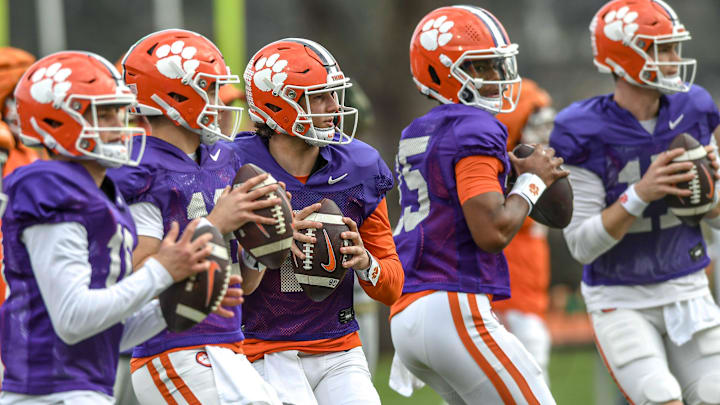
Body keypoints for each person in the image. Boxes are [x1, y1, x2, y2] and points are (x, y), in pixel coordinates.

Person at [0, 50, 217, 405]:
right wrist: (161, 271)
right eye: (103, 113)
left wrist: (178, 300)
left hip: (81, 389)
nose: (119, 124)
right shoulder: (51, 186)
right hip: (49, 393)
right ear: (55, 121)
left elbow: (112, 332)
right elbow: (73, 319)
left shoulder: (105, 195)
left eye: (119, 110)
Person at [389, 5, 566, 404]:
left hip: (408, 311)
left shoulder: (419, 130)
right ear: (440, 72)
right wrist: (533, 181)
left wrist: (507, 176)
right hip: (451, 305)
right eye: (482, 67)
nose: (496, 78)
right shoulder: (476, 126)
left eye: (498, 65)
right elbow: (493, 231)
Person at [549, 1, 720, 404]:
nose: (676, 60)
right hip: (620, 296)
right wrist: (641, 193)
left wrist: (714, 189)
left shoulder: (694, 108)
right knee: (661, 397)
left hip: (688, 285)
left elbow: (717, 218)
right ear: (624, 57)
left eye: (675, 48)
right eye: (663, 50)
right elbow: (582, 245)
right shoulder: (583, 129)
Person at [109, 29, 281, 405]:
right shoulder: (142, 167)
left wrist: (264, 241)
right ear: (174, 95)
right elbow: (140, 277)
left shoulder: (224, 158)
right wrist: (217, 223)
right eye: (209, 87)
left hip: (227, 340)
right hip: (172, 347)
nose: (219, 101)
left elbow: (247, 286)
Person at [234, 37, 404, 405]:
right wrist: (270, 241)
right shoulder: (232, 166)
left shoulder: (360, 166)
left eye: (333, 94)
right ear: (277, 103)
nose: (334, 107)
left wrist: (367, 264)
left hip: (338, 347)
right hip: (259, 348)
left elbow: (391, 285)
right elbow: (216, 278)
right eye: (318, 97)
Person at [493, 78, 556, 383]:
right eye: (534, 123)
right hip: (504, 274)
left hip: (527, 276)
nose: (543, 135)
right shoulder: (491, 166)